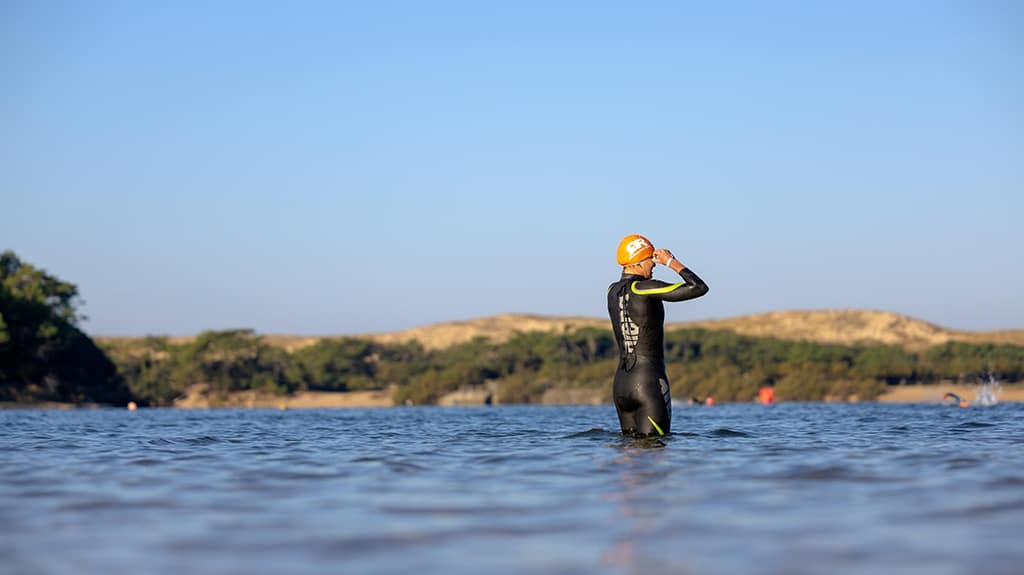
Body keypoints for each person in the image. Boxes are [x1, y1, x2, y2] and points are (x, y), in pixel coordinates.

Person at [607, 234, 709, 436]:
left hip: (621, 385)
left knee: (629, 457)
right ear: (637, 262)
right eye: (650, 259)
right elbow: (699, 288)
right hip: (648, 384)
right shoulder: (643, 288)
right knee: (655, 452)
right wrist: (671, 262)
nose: (654, 265)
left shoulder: (611, 290)